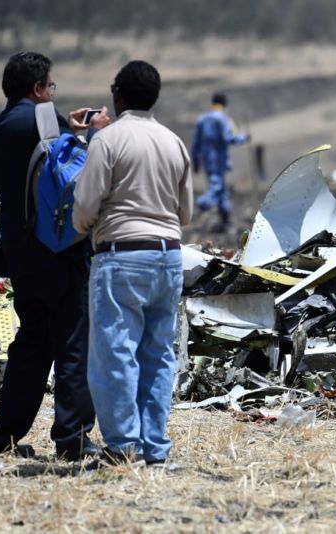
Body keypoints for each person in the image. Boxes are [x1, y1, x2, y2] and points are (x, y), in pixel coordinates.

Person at [73, 60, 193, 467]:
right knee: (158, 355)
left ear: (118, 96)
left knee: (114, 354)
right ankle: (155, 446)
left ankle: (124, 445)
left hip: (121, 256)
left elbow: (85, 206)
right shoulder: (173, 142)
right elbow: (187, 212)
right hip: (169, 255)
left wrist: (81, 224)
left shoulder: (107, 141)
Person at [0, 51, 109, 460]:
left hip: (20, 255)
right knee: (75, 343)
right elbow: (76, 173)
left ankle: (4, 435)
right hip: (59, 252)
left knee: (31, 343)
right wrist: (91, 135)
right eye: (50, 87)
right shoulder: (45, 118)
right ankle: (73, 438)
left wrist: (66, 129)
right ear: (39, 87)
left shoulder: (1, 127)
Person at [191, 92, 249, 231]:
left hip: (206, 160)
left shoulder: (202, 119)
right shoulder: (223, 119)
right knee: (216, 187)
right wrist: (244, 137)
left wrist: (196, 161)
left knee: (222, 189)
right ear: (224, 105)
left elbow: (196, 143)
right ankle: (200, 206)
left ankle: (225, 217)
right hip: (219, 160)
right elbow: (229, 138)